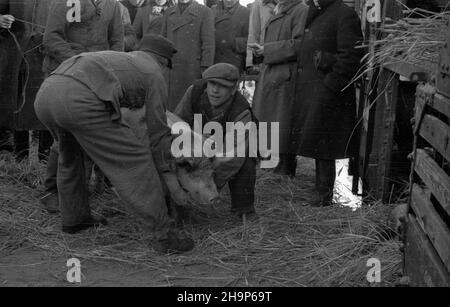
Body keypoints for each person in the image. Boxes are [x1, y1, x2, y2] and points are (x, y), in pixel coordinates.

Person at [34, 34, 195, 253]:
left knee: (71, 157)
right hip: (79, 99)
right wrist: (165, 168)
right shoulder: (154, 73)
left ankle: (74, 219)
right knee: (136, 161)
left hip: (46, 93)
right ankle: (164, 235)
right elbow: (158, 133)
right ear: (163, 61)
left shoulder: (121, 59)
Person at [40, 0, 125, 213]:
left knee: (90, 133)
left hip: (96, 77)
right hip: (64, 73)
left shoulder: (112, 6)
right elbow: (51, 38)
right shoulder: (66, 3)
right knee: (64, 135)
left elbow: (117, 42)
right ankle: (52, 192)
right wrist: (78, 61)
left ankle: (78, 192)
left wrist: (111, 68)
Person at [290, 0, 364, 206]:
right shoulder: (319, 12)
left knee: (325, 146)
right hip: (315, 90)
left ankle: (323, 196)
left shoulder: (344, 14)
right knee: (318, 143)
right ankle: (320, 192)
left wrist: (329, 87)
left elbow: (351, 57)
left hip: (329, 93)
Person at [174, 63, 257, 218]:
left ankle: (244, 209)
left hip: (231, 147)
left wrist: (209, 186)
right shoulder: (194, 92)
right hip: (199, 143)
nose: (215, 90)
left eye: (223, 86)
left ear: (234, 89)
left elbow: (230, 157)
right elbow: (177, 123)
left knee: (246, 162)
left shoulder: (241, 111)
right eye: (212, 83)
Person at [252, 0, 308, 176]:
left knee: (281, 126)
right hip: (273, 75)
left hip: (284, 78)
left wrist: (266, 50)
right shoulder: (282, 9)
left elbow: (299, 45)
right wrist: (261, 52)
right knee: (270, 123)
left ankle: (282, 170)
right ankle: (272, 168)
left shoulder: (300, 10)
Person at [161, 0, 215, 111]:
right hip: (171, 71)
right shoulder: (169, 12)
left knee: (190, 110)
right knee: (171, 113)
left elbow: (208, 44)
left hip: (192, 70)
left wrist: (205, 71)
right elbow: (162, 41)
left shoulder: (205, 12)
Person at [212, 0, 249, 74]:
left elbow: (252, 40)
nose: (229, 0)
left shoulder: (247, 13)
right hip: (214, 62)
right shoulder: (212, 11)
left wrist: (234, 42)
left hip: (234, 62)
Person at [246, 0, 276, 74]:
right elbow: (253, 33)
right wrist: (250, 64)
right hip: (264, 58)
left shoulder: (295, 4)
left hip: (288, 57)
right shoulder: (258, 4)